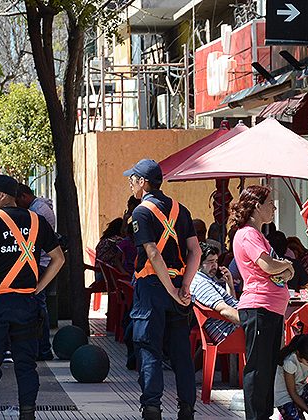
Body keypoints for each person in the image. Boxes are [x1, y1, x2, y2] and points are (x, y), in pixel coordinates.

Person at [0, 174, 65, 420]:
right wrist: (39, 287)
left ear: (2, 195)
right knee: (26, 364)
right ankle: (27, 413)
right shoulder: (37, 221)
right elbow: (59, 258)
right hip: (26, 304)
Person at [124, 159, 201, 420]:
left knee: (149, 349)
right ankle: (187, 408)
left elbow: (153, 253)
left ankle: (152, 408)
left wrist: (170, 290)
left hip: (153, 289)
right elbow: (195, 251)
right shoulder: (182, 210)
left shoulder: (141, 213)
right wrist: (185, 287)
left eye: (132, 179)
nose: (130, 183)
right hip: (179, 287)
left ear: (143, 182)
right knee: (181, 353)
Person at [231, 185, 294, 420]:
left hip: (270, 308)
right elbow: (268, 266)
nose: (274, 208)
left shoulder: (259, 236)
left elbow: (280, 272)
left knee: (267, 367)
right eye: (270, 204)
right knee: (258, 369)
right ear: (257, 206)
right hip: (259, 307)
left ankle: (263, 415)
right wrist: (286, 266)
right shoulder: (248, 234)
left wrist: (284, 269)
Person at [16, 183, 57, 361]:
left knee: (39, 306)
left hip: (40, 263)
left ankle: (43, 348)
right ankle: (41, 347)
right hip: (41, 262)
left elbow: (32, 240)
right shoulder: (38, 208)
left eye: (17, 200)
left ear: (24, 196)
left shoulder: (37, 212)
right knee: (39, 305)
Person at [190, 242, 239, 344]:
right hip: (229, 332)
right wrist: (249, 320)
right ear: (198, 263)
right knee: (270, 327)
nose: (215, 265)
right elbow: (224, 310)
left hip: (231, 327)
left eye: (216, 261)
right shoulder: (201, 283)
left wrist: (229, 285)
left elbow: (230, 304)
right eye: (210, 262)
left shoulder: (206, 279)